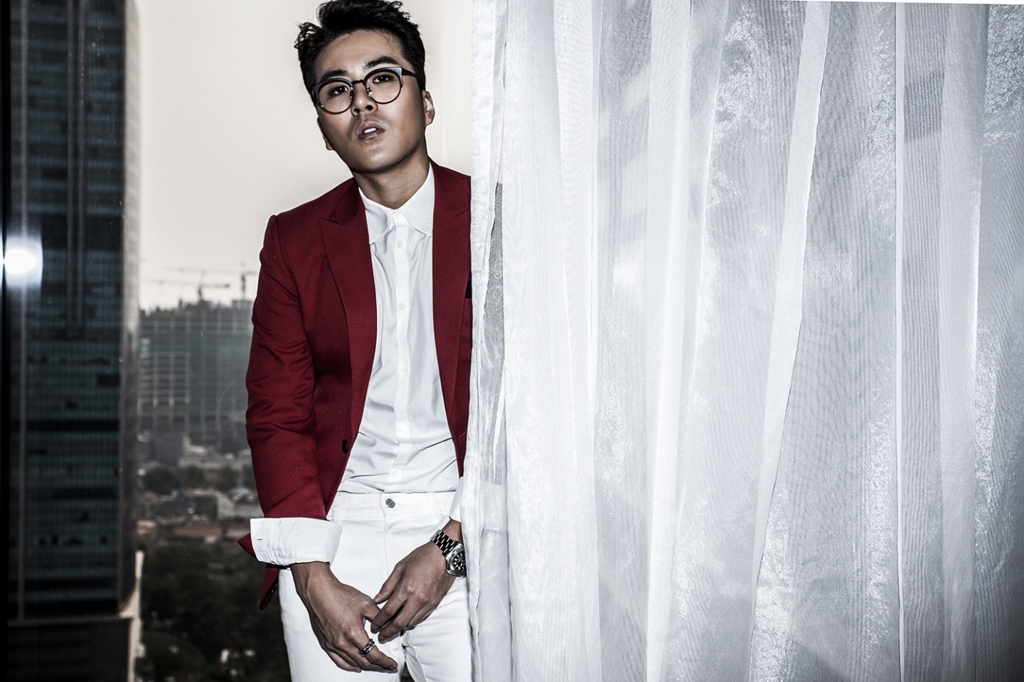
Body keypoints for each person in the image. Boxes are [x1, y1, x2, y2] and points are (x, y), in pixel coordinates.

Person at [237, 2, 473, 679]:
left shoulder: (496, 220)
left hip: (470, 523)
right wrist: (311, 575)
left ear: (426, 102)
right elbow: (276, 412)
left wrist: (455, 545)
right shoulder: (293, 239)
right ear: (324, 128)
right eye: (337, 90)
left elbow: (535, 405)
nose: (362, 101)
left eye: (383, 79)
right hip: (332, 536)